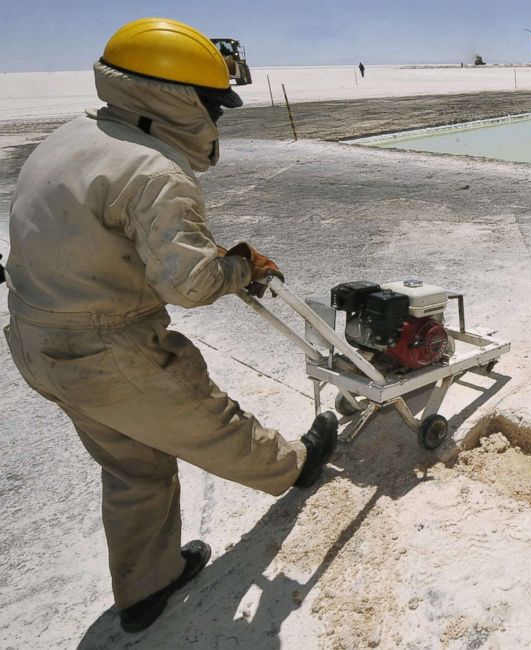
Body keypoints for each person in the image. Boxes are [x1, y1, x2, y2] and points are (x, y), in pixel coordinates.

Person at [2, 18, 338, 633]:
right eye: (214, 103)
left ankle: (145, 586)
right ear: (181, 99)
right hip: (108, 347)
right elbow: (189, 283)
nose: (218, 116)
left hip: (35, 338)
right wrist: (238, 267)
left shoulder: (71, 136)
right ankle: (294, 465)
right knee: (211, 422)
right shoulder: (154, 171)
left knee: (134, 466)